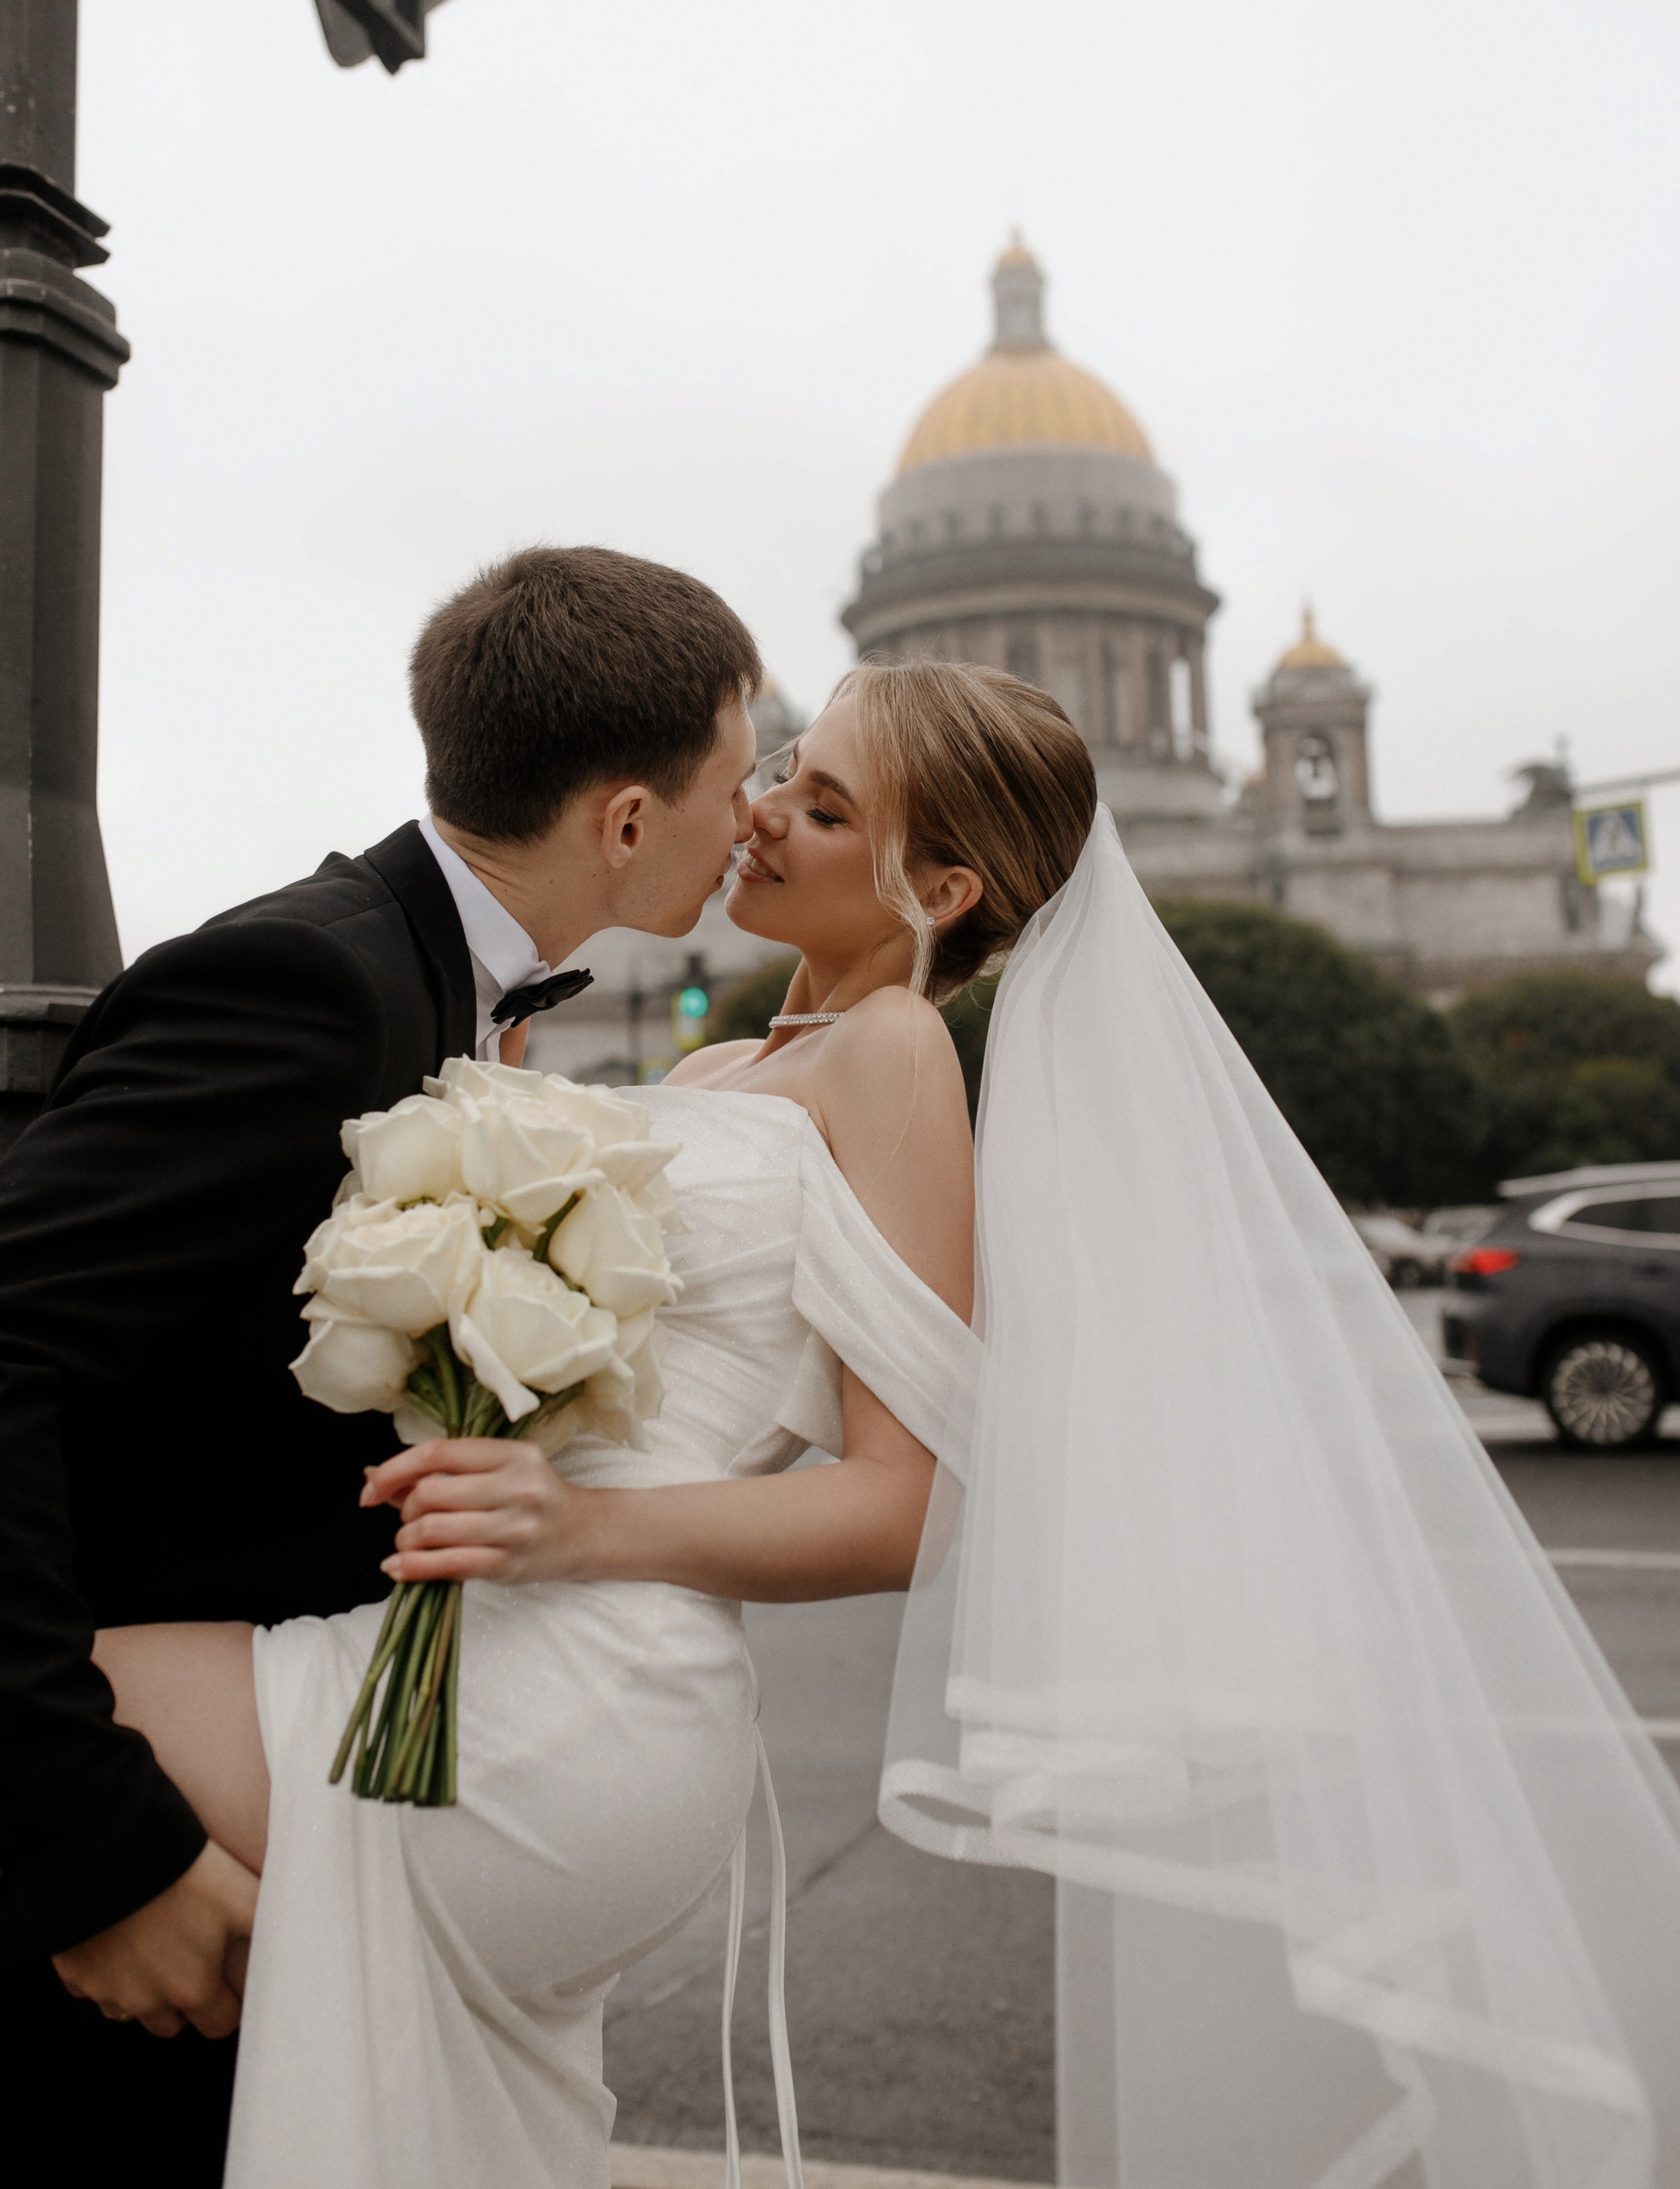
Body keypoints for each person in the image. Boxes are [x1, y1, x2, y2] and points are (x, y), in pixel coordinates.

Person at [30, 648, 1680, 2189]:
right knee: (380, 2078)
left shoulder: (893, 1057)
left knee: (74, 1725)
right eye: (779, 779)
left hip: (597, 1682)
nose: (761, 815)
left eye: (821, 807)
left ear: (941, 887)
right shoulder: (710, 1072)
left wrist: (577, 1525)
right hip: (491, 1656)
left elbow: (912, 1503)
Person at [0, 545, 763, 2184]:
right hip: (143, 1875)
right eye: (738, 776)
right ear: (627, 821)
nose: (752, 819)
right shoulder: (300, 983)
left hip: (303, 1822)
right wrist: (96, 1854)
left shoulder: (461, 1001)